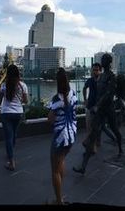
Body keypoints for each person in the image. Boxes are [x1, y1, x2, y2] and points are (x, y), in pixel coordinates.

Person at [74, 54, 122, 174]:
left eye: (104, 60)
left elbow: (109, 94)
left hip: (108, 108)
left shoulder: (111, 76)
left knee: (114, 129)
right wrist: (94, 105)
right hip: (99, 110)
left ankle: (121, 148)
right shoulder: (100, 77)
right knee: (93, 134)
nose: (102, 61)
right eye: (102, 60)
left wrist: (97, 105)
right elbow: (98, 93)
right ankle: (83, 166)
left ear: (109, 62)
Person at [47, 68, 78, 205]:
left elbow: (50, 119)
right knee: (61, 162)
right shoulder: (73, 94)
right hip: (72, 135)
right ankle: (60, 197)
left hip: (60, 137)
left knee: (54, 170)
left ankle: (59, 201)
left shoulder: (55, 99)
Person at [0, 64, 28, 171]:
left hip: (6, 114)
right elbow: (25, 101)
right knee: (14, 135)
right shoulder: (22, 85)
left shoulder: (4, 85)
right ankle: (11, 152)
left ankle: (11, 161)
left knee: (8, 137)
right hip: (18, 113)